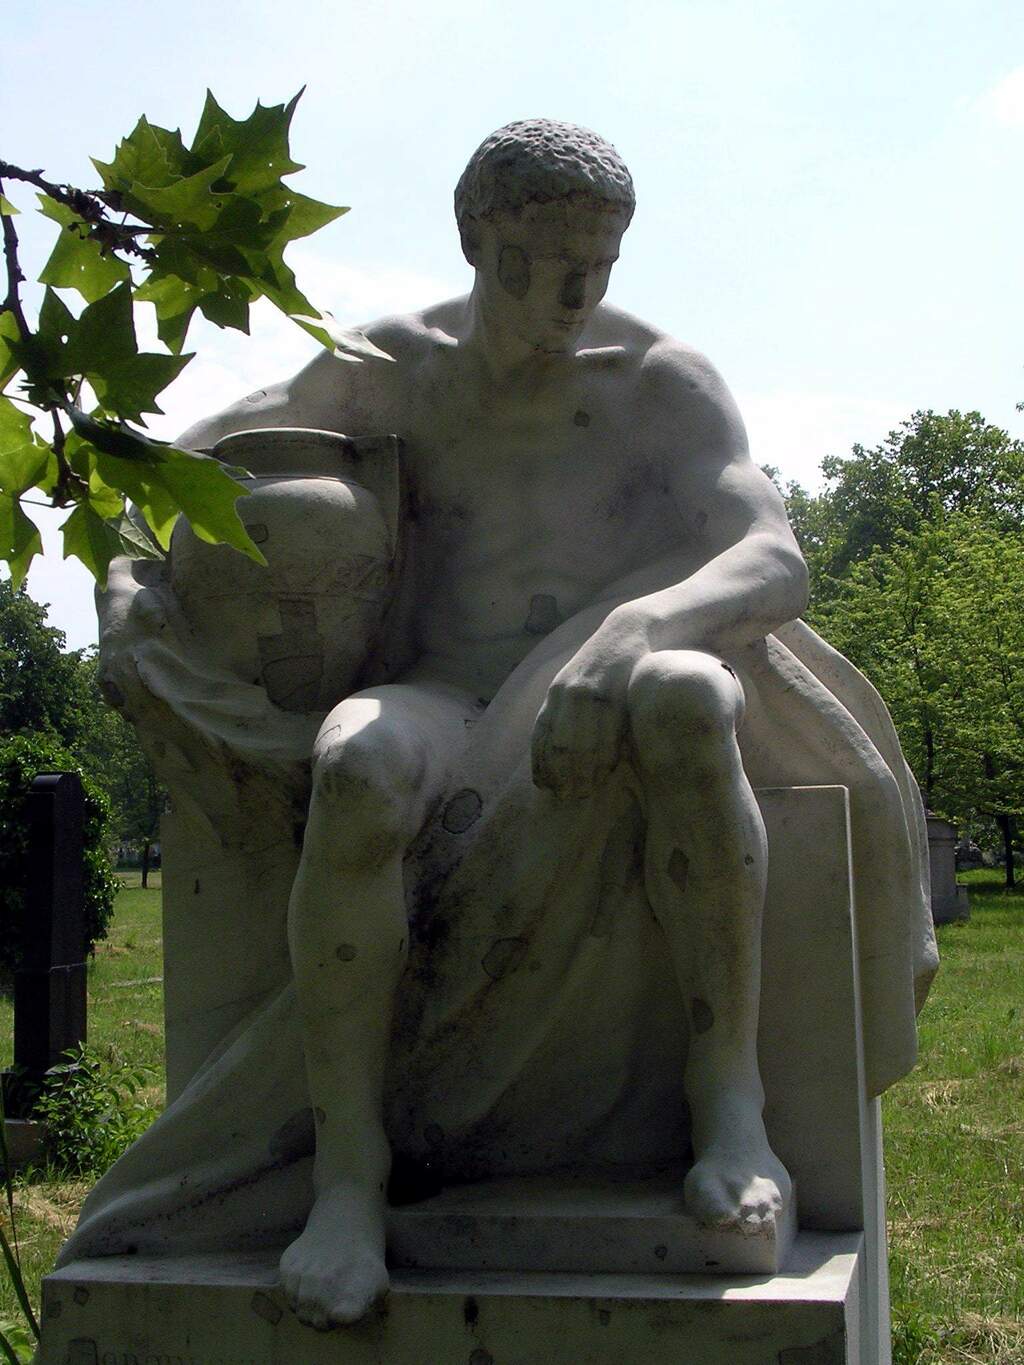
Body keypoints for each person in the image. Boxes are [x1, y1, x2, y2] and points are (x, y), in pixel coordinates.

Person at [70, 120, 933, 1335]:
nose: (567, 299)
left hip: (619, 683)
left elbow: (770, 552)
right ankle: (348, 1178)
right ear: (475, 242)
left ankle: (727, 1106)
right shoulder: (391, 364)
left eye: (594, 268)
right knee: (357, 766)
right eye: (533, 266)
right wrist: (124, 590)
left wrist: (635, 628)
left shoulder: (657, 379)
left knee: (689, 695)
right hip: (442, 694)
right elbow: (170, 469)